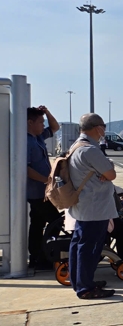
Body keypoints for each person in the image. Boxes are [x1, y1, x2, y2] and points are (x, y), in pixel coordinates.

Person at [67, 113, 118, 299]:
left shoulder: (76, 146)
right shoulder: (90, 150)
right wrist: (108, 168)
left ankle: (79, 281)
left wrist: (106, 168)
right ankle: (85, 288)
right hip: (95, 207)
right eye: (103, 126)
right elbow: (111, 174)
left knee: (79, 244)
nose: (104, 129)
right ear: (98, 128)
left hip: (83, 205)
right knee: (90, 248)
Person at [26, 106, 60, 270]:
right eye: (40, 122)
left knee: (38, 224)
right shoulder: (27, 142)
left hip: (43, 191)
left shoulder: (38, 138)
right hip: (36, 191)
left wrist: (47, 112)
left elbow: (55, 127)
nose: (43, 125)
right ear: (29, 123)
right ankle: (46, 255)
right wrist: (46, 181)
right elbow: (26, 169)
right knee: (55, 222)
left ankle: (38, 257)